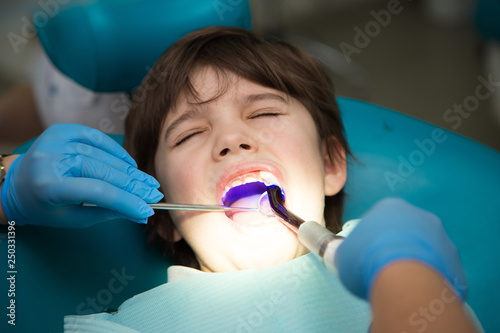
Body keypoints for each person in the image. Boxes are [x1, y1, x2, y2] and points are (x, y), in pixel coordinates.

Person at [0, 27, 482, 332]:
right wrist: (6, 186)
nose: (231, 140)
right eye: (189, 134)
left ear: (332, 164)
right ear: (162, 213)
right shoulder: (133, 327)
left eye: (266, 111)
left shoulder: (397, 266)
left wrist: (408, 280)